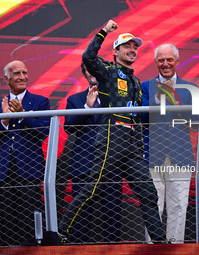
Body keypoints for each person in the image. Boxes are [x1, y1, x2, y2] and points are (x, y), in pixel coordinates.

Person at [59, 19, 166, 243]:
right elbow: (88, 58)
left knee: (148, 192)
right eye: (127, 46)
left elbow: (137, 116)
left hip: (132, 142)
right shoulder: (107, 71)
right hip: (111, 135)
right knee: (93, 188)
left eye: (135, 47)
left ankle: (159, 241)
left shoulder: (136, 81)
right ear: (115, 51)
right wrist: (104, 31)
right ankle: (61, 232)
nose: (132, 50)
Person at [0, 60, 50, 246]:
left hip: (28, 169)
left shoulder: (39, 102)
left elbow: (43, 133)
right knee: (6, 217)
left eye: (24, 72)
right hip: (2, 171)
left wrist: (23, 115)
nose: (22, 77)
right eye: (16, 73)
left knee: (29, 214)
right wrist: (4, 121)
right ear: (6, 79)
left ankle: (32, 248)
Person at [141, 44, 198, 243]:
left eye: (169, 60)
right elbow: (140, 117)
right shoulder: (145, 87)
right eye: (161, 60)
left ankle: (175, 247)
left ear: (177, 61)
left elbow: (198, 121)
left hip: (180, 154)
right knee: (152, 204)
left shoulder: (190, 88)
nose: (165, 64)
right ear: (156, 62)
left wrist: (175, 103)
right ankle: (152, 247)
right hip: (151, 154)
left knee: (179, 205)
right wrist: (157, 102)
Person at [63, 60, 122, 243]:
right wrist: (87, 108)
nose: (93, 72)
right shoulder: (75, 100)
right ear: (84, 73)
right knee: (80, 219)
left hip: (111, 167)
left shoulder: (116, 97)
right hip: (83, 167)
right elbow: (69, 127)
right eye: (89, 69)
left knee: (112, 219)